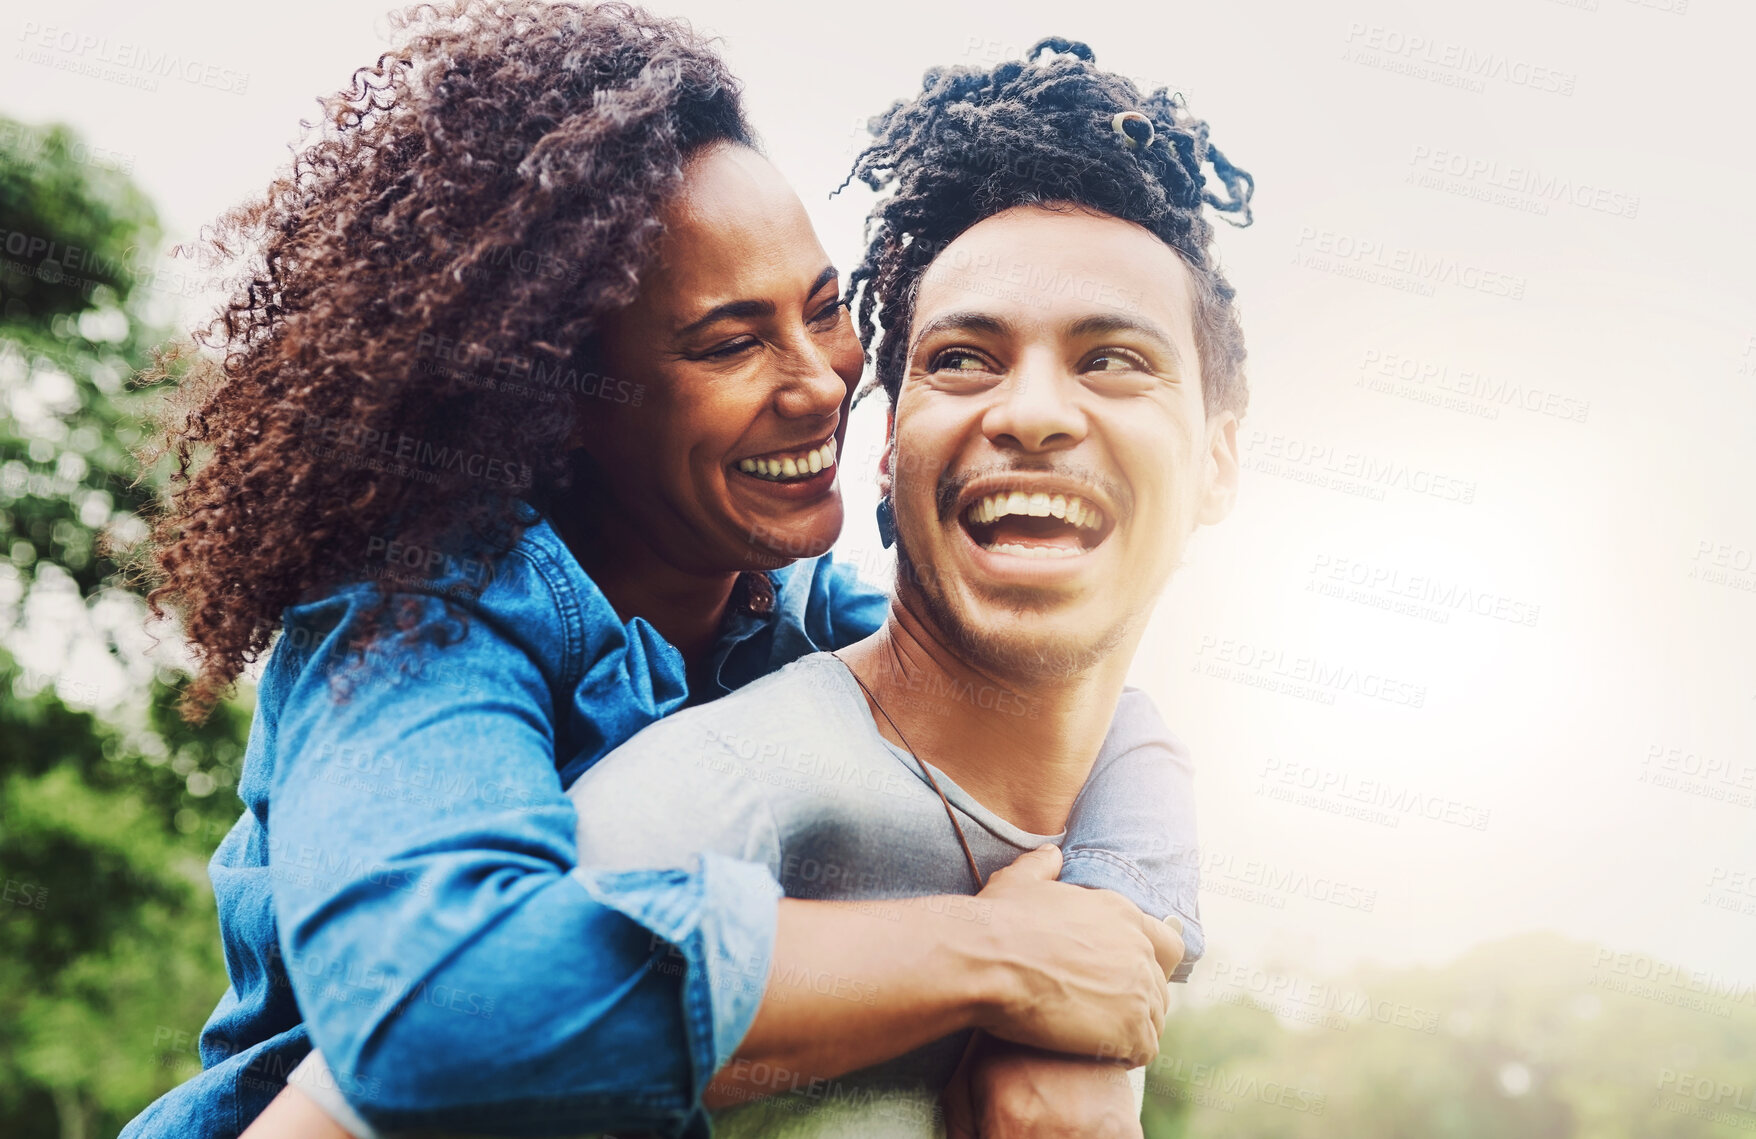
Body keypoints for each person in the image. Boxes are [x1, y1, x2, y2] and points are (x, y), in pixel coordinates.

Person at [120, 6, 1217, 1137]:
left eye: (825, 309)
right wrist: (1000, 958)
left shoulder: (781, 607)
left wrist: (1112, 941)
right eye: (729, 343)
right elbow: (437, 1012)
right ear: (562, 398)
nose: (820, 384)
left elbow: (1092, 720)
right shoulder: (416, 616)